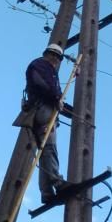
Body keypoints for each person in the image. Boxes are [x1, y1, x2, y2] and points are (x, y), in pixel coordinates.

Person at [25, 43, 69, 204]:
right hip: (43, 110)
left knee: (44, 153)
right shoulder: (41, 65)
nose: (57, 61)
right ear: (49, 54)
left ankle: (46, 192)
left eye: (59, 58)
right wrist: (56, 98)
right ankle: (58, 183)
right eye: (56, 57)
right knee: (49, 148)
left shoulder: (47, 69)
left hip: (42, 110)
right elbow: (40, 84)